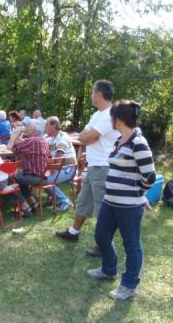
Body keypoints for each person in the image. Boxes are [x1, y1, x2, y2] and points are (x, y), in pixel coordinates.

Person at [86, 100, 156, 301]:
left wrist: (138, 194)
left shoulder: (138, 143)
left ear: (118, 119)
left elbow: (149, 176)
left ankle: (129, 286)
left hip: (129, 206)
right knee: (101, 236)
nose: (110, 120)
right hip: (110, 202)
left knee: (132, 245)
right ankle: (108, 269)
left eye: (112, 116)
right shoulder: (119, 141)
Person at [55, 80, 119, 257]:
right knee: (83, 200)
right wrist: (88, 141)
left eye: (92, 93)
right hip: (94, 166)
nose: (91, 96)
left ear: (99, 95)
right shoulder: (98, 114)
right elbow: (86, 136)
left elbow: (87, 136)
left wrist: (88, 138)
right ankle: (73, 233)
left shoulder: (109, 115)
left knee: (102, 208)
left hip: (104, 167)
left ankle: (105, 245)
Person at [8, 119, 49, 217]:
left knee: (9, 178)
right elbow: (22, 145)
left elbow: (10, 148)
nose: (25, 129)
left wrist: (14, 134)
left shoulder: (31, 141)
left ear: (32, 129)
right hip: (41, 175)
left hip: (34, 177)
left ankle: (25, 207)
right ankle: (33, 203)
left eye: (27, 127)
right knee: (20, 177)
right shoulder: (42, 139)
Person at [43, 116, 77, 212]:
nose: (44, 127)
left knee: (46, 181)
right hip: (59, 168)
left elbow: (58, 161)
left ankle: (65, 202)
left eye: (46, 124)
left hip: (68, 169)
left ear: (53, 125)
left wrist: (46, 169)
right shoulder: (50, 137)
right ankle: (54, 199)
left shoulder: (62, 137)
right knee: (41, 178)